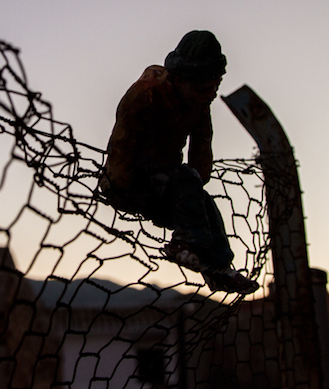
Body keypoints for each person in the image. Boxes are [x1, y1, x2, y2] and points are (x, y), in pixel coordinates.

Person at [99, 30, 258, 294]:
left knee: (206, 204)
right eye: (203, 89)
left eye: (215, 88)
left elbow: (202, 141)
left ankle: (220, 269)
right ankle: (184, 243)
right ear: (179, 79)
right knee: (185, 181)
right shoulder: (144, 95)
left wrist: (197, 183)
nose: (210, 95)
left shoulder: (198, 104)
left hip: (171, 181)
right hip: (132, 181)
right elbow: (121, 143)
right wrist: (119, 187)